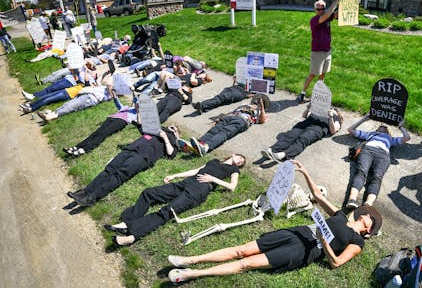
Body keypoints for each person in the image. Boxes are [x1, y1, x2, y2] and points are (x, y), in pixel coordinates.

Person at [166, 160, 382, 283]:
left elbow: (336, 263)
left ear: (368, 229)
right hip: (298, 232)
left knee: (246, 264)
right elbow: (317, 196)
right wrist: (306, 172)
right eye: (368, 213)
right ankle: (190, 259)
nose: (367, 214)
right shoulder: (341, 216)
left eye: (371, 218)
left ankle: (191, 274)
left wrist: (324, 242)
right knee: (242, 250)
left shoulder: (357, 242)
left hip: (308, 249)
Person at [104, 154, 246, 246]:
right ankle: (126, 222)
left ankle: (132, 236)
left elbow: (232, 186)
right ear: (233, 155)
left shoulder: (233, 170)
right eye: (239, 157)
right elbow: (196, 170)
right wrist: (175, 175)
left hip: (200, 189)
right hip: (186, 183)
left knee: (167, 211)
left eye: (241, 162)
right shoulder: (214, 161)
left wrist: (213, 179)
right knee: (149, 193)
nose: (239, 161)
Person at [67, 126, 180, 207]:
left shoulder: (173, 141)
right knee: (108, 170)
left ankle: (92, 198)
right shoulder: (156, 129)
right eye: (172, 127)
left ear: (177, 134)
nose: (172, 128)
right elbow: (140, 124)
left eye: (175, 129)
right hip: (130, 149)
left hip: (143, 156)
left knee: (119, 176)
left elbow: (171, 153)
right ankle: (85, 191)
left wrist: (166, 137)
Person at [346, 113, 410, 208]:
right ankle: (352, 199)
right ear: (376, 129)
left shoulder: (390, 139)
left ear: (388, 132)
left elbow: (407, 138)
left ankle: (368, 205)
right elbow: (350, 130)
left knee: (377, 177)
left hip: (383, 155)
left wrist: (401, 127)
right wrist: (363, 119)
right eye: (381, 125)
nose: (383, 126)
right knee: (361, 172)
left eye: (385, 127)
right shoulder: (370, 134)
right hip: (368, 150)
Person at [181, 95, 268, 157]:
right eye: (257, 99)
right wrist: (219, 118)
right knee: (214, 130)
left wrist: (261, 107)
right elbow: (233, 111)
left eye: (260, 100)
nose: (257, 100)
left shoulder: (260, 111)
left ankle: (206, 147)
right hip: (230, 117)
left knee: (224, 133)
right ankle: (198, 144)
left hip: (242, 120)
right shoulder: (245, 104)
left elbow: (262, 121)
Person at [296, 0, 341, 103]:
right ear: (315, 10)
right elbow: (328, 14)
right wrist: (336, 0)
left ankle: (316, 94)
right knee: (313, 74)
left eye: (322, 9)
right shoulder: (314, 20)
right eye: (318, 9)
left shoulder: (327, 17)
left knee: (323, 73)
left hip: (327, 51)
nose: (320, 11)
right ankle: (302, 94)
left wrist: (346, 3)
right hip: (318, 52)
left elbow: (336, 14)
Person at [262, 103, 343, 162]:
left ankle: (284, 154)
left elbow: (333, 131)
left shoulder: (336, 118)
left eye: (334, 109)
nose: (331, 109)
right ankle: (272, 149)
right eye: (331, 107)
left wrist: (331, 116)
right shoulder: (319, 110)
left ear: (337, 113)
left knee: (304, 138)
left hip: (318, 128)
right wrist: (308, 108)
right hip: (308, 122)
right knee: (291, 135)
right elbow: (304, 116)